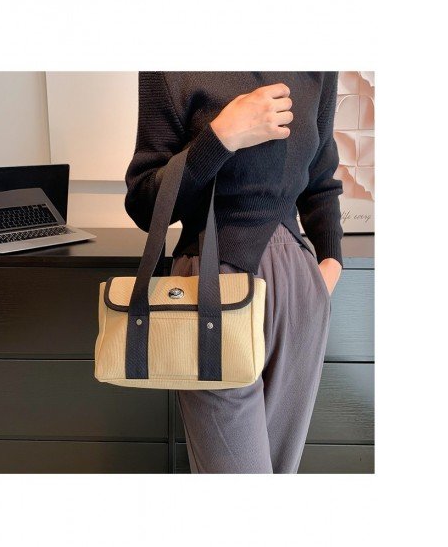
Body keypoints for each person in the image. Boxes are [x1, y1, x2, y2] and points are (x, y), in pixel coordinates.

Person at [124, 71, 343, 473]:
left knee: (280, 471)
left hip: (298, 288)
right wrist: (220, 137)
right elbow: (144, 204)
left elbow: (320, 179)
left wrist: (330, 262)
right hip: (211, 290)